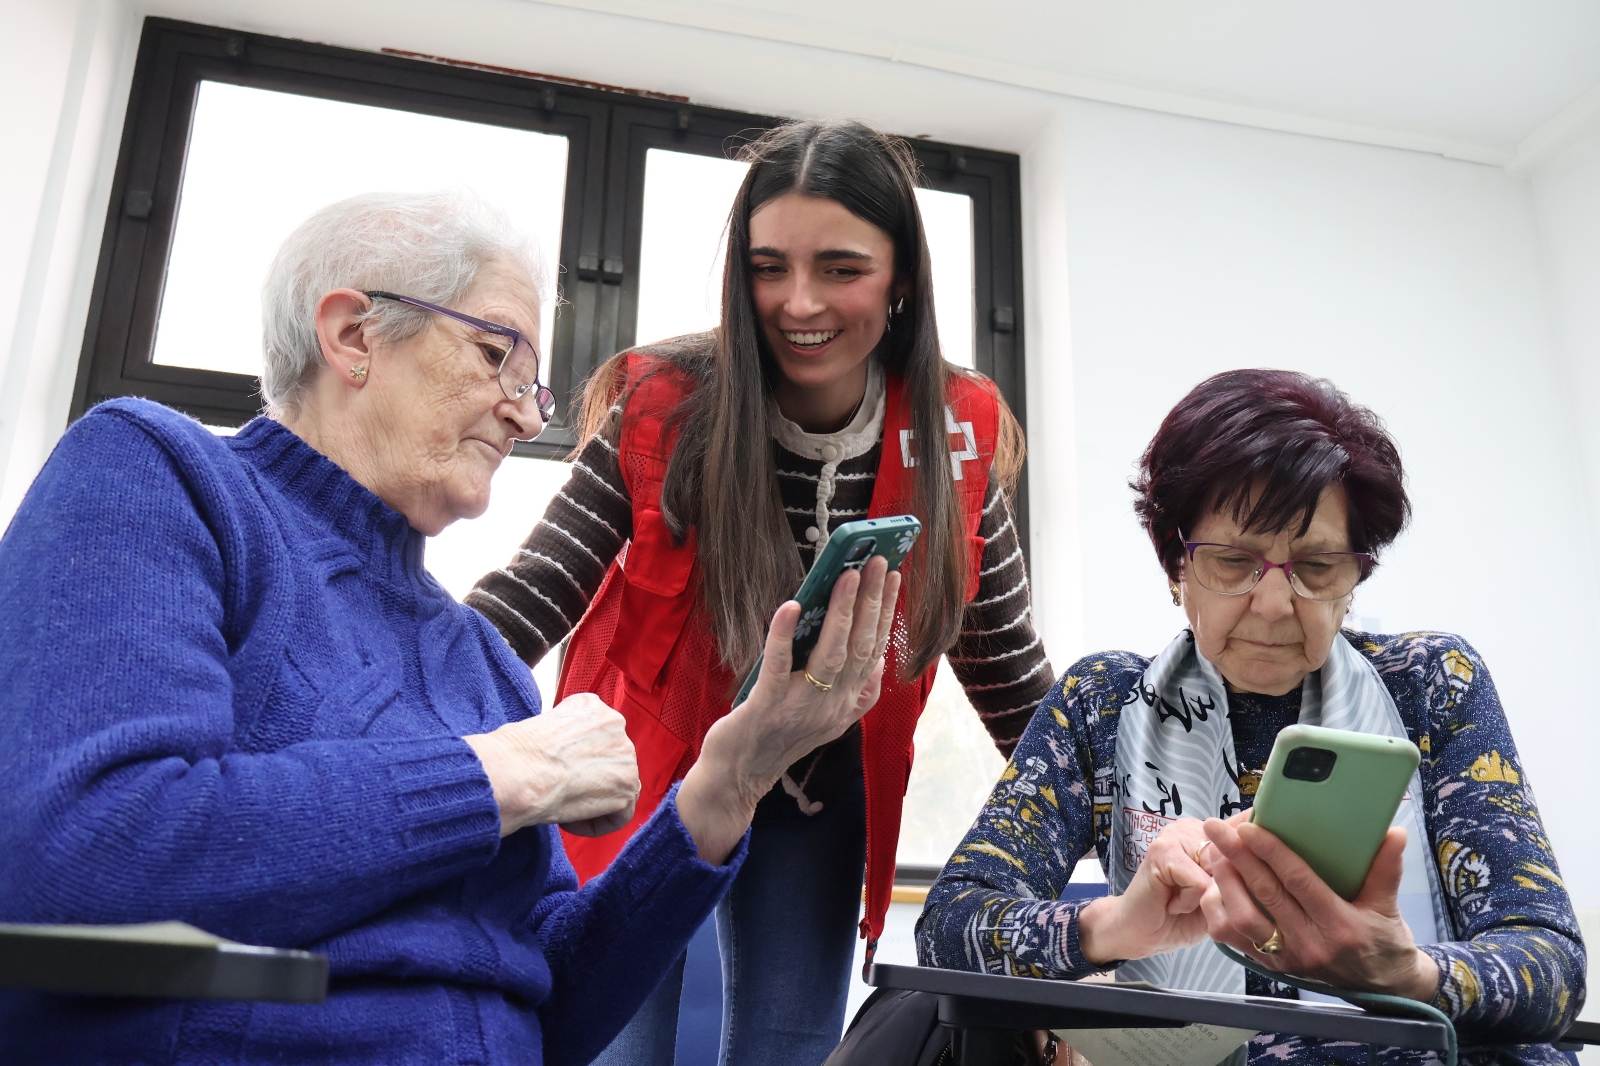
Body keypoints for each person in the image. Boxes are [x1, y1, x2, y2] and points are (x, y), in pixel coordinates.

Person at [0, 190, 902, 1066]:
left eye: (532, 383)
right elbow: (89, 852)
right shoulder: (159, 475)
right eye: (495, 355)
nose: (523, 411)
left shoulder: (482, 666)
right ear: (353, 335)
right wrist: (507, 772)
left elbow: (546, 1002)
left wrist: (728, 782)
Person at [466, 119, 1053, 1066]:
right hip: (646, 769)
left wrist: (1123, 819)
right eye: (768, 266)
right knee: (613, 1038)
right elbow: (537, 587)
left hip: (817, 786)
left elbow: (1008, 666)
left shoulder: (958, 426)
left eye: (841, 267)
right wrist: (410, 713)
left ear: (902, 276)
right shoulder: (665, 399)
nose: (798, 302)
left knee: (789, 1048)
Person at [916, 370, 1587, 1066]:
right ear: (1176, 565)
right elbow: (950, 926)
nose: (1272, 604)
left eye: (1317, 567)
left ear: (1356, 577)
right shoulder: (1101, 704)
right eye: (1234, 562)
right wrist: (1115, 926)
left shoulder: (1429, 686)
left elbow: (1549, 965)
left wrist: (1411, 975)